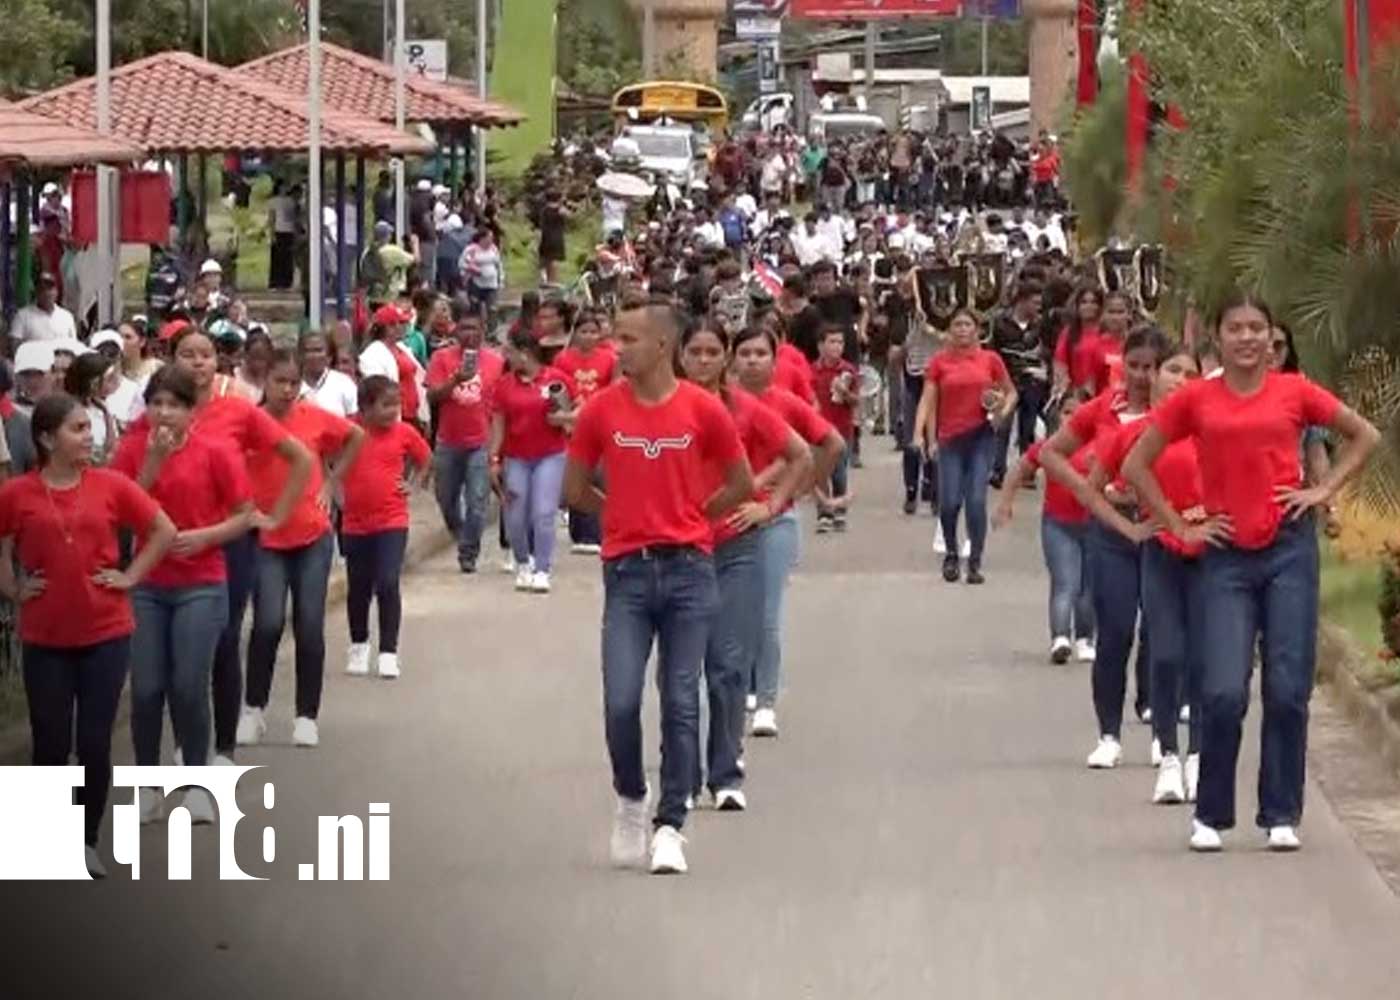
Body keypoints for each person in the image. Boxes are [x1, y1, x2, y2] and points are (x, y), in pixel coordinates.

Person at [1123, 292, 1379, 853]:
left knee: (1288, 688)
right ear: (1217, 337)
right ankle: (1211, 814)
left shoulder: (1294, 391)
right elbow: (1135, 464)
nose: (1246, 338)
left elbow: (1365, 435)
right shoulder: (1196, 399)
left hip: (1288, 548)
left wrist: (1322, 489)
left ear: (1271, 339)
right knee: (1221, 691)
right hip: (1226, 554)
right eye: (1235, 328)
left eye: (1256, 329)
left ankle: (1280, 812)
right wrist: (1179, 526)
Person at [564, 300, 751, 875]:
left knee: (679, 698)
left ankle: (671, 825)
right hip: (627, 572)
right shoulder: (600, 410)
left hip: (690, 570)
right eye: (616, 336)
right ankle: (629, 797)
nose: (616, 348)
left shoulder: (702, 409)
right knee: (620, 699)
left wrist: (695, 515)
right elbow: (574, 489)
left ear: (661, 346)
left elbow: (740, 482)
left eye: (628, 339)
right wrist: (619, 514)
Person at [0, 394, 176, 876]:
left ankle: (86, 838)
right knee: (50, 743)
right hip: (45, 635)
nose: (89, 436)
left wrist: (131, 575)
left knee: (94, 742)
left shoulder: (111, 486)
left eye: (87, 427)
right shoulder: (18, 493)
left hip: (105, 631)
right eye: (77, 429)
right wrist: (12, 586)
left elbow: (162, 530)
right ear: (45, 438)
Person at [121, 327, 314, 767]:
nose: (197, 363)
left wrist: (275, 515)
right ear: (172, 361)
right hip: (160, 552)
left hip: (226, 544)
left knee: (223, 640)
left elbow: (299, 458)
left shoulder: (237, 412)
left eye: (205, 355)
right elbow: (126, 487)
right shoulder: (151, 418)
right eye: (187, 355)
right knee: (166, 664)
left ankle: (221, 747)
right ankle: (183, 745)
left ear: (217, 362)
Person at [113, 366, 256, 820]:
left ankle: (198, 783)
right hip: (148, 584)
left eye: (174, 405)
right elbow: (118, 510)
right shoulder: (132, 449)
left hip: (201, 581)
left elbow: (245, 515)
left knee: (188, 686)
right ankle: (148, 785)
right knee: (148, 688)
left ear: (192, 412)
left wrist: (207, 536)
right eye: (157, 404)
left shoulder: (214, 451)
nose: (164, 413)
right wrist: (152, 464)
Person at [679, 322, 810, 811]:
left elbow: (799, 454)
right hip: (681, 549)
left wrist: (769, 506)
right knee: (682, 669)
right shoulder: (662, 407)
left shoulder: (744, 408)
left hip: (736, 547)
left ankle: (726, 773)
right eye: (696, 351)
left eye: (714, 351)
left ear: (726, 357)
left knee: (730, 665)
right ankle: (684, 775)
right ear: (680, 355)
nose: (705, 360)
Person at [1039, 326, 1167, 768]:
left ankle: (1157, 721)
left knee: (1160, 631)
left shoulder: (1176, 412)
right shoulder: (1100, 411)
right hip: (1111, 532)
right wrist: (1088, 489)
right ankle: (1108, 733)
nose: (1141, 376)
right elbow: (1050, 453)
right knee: (1114, 631)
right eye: (1134, 366)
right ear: (1121, 365)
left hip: (1162, 530)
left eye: (1151, 368)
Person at [1087, 344, 1203, 804]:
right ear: (1154, 378)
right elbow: (1092, 487)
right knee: (1166, 652)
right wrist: (1131, 528)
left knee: (1203, 657)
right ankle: (1168, 757)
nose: (1180, 380)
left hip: (1210, 553)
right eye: (1172, 370)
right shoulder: (1134, 433)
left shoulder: (1212, 427)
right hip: (1159, 551)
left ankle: (1196, 755)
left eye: (1190, 373)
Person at [239, 349, 363, 749]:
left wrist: (331, 482)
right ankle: (253, 709)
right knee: (268, 623)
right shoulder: (249, 423)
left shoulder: (312, 416)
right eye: (280, 382)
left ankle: (306, 716)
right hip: (267, 538)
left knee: (309, 625)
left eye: (294, 382)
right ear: (265, 380)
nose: (288, 390)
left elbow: (355, 435)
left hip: (312, 534)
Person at [732, 325, 844, 737]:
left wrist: (802, 489)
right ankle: (743, 683)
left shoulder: (787, 404)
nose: (752, 360)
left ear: (774, 360)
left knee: (767, 614)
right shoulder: (719, 403)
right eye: (744, 353)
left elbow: (832, 444)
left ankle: (766, 700)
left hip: (775, 520)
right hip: (726, 521)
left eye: (760, 353)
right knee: (732, 613)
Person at [913, 308, 1017, 585]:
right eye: (956, 325)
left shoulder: (990, 359)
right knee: (949, 503)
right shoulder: (939, 363)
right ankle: (950, 552)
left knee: (976, 501)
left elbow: (1011, 392)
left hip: (981, 436)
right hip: (950, 439)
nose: (962, 330)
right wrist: (920, 435)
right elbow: (928, 400)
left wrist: (1001, 411)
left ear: (977, 330)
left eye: (967, 324)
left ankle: (974, 562)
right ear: (949, 331)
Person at [993, 391, 1096, 666]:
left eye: (1080, 412)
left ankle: (1085, 638)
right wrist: (1005, 503)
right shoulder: (1048, 447)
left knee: (1089, 588)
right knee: (1066, 582)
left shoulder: (1101, 445)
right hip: (1058, 525)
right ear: (1057, 416)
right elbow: (1018, 471)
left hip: (1095, 525)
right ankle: (1060, 637)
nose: (1073, 418)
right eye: (1067, 412)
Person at [340, 376, 432, 680]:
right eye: (386, 405)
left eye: (396, 404)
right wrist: (332, 487)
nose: (393, 411)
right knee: (359, 588)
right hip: (354, 523)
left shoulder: (404, 431)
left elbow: (426, 459)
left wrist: (414, 484)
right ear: (365, 407)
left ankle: (388, 652)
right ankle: (359, 644)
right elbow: (322, 454)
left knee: (388, 582)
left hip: (392, 520)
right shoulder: (347, 429)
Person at [489, 330, 577, 594]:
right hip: (516, 457)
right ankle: (522, 562)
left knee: (543, 512)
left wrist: (561, 418)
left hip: (550, 454)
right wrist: (494, 459)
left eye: (509, 351)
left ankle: (542, 569)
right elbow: (498, 425)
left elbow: (577, 413)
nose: (505, 356)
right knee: (515, 514)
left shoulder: (556, 379)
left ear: (524, 353)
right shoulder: (504, 385)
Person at [426, 306, 504, 573]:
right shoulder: (441, 358)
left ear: (483, 330)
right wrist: (455, 380)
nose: (469, 334)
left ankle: (468, 552)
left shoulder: (496, 361)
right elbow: (433, 397)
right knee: (446, 499)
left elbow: (502, 405)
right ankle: (461, 535)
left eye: (475, 328)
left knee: (478, 501)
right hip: (448, 441)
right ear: (455, 330)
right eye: (464, 328)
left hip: (480, 442)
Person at [552, 310, 617, 554]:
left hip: (599, 423)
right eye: (584, 332)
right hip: (572, 424)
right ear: (575, 334)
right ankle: (580, 531)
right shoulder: (563, 359)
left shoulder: (609, 358)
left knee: (599, 476)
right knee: (578, 474)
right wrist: (566, 417)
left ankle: (598, 531)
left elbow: (613, 387)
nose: (589, 337)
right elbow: (557, 389)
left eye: (593, 332)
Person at [987, 283, 1047, 489]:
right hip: (1006, 380)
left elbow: (1045, 351)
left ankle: (1027, 471)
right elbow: (991, 350)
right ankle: (997, 469)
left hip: (1032, 381)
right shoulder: (1000, 322)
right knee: (1002, 425)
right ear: (1022, 301)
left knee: (1027, 428)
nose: (1038, 307)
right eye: (1035, 302)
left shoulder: (1040, 325)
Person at [809, 325, 860, 533]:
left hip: (841, 429)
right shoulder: (812, 371)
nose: (836, 347)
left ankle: (839, 508)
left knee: (839, 472)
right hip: (818, 429)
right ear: (821, 345)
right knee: (820, 472)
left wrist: (845, 393)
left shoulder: (848, 371)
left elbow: (856, 400)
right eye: (832, 342)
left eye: (840, 342)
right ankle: (823, 513)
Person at [359, 304, 428, 432]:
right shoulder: (372, 354)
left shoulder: (402, 348)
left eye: (403, 323)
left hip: (414, 416)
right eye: (397, 323)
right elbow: (376, 390)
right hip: (395, 417)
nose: (402, 327)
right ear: (386, 328)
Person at [63, 353, 120, 466]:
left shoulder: (102, 407)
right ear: (92, 383)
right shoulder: (69, 412)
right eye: (109, 378)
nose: (116, 381)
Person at [299, 330, 359, 418]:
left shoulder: (344, 383)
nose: (314, 355)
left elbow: (355, 419)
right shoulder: (291, 384)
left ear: (329, 356)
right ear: (300, 355)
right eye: (308, 351)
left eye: (318, 350)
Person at [8, 273, 77, 345]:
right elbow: (14, 347)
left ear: (56, 292)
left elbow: (73, 346)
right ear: (36, 292)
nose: (46, 293)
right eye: (42, 289)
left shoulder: (67, 317)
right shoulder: (22, 316)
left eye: (50, 289)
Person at [461, 227, 504, 320]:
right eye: (489, 237)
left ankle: (492, 331)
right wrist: (473, 269)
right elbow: (462, 263)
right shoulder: (471, 249)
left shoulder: (493, 249)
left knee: (492, 309)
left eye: (492, 238)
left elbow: (499, 265)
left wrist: (501, 279)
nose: (491, 240)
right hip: (476, 284)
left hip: (491, 284)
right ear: (482, 238)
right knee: (475, 309)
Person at [537, 190, 570, 285]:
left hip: (545, 237)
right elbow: (570, 216)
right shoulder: (560, 210)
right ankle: (553, 282)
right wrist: (564, 204)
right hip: (556, 238)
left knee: (547, 260)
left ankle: (546, 280)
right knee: (554, 261)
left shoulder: (544, 210)